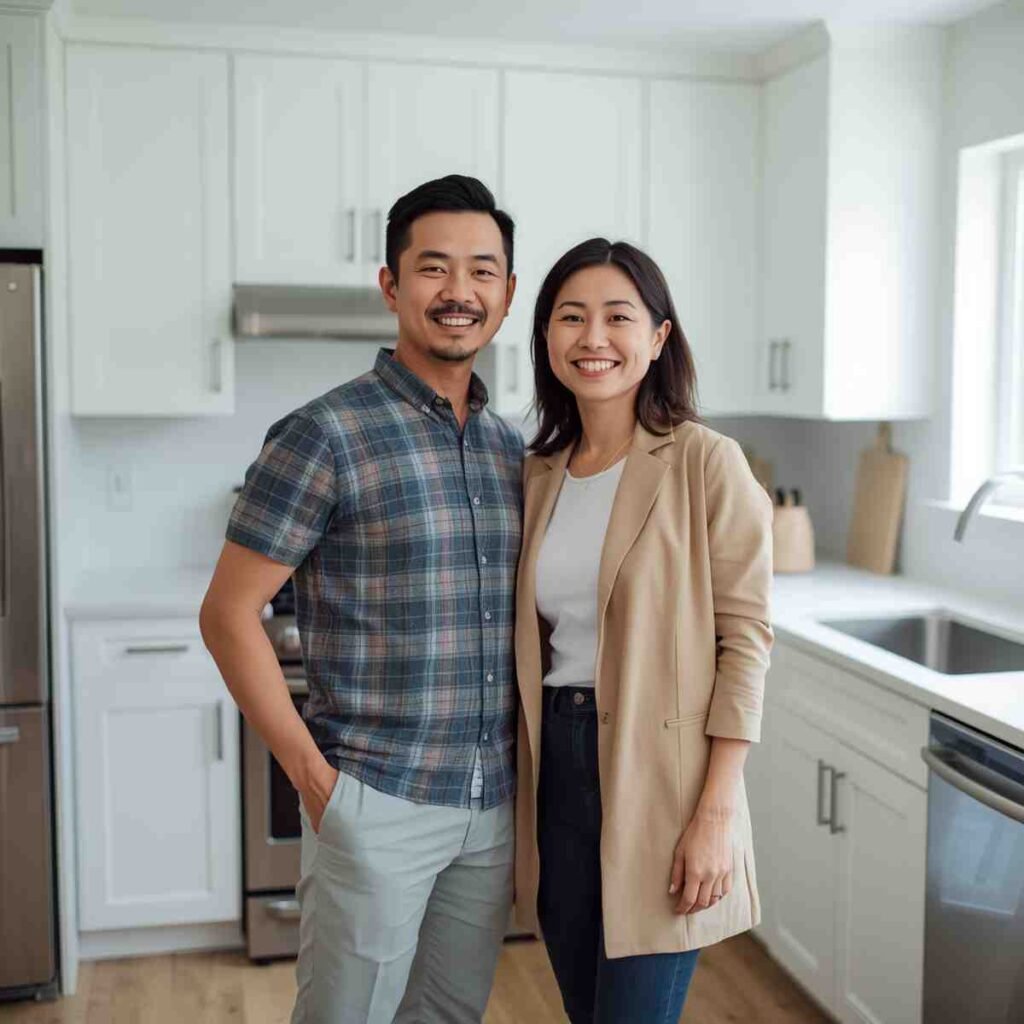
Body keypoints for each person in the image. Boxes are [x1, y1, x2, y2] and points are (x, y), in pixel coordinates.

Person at [199, 175, 522, 1024]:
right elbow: (228, 615)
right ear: (391, 285)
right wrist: (315, 780)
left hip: (489, 810)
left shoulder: (508, 446)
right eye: (434, 269)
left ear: (508, 293)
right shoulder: (324, 433)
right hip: (375, 800)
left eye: (483, 271)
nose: (460, 293)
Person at [512, 238, 774, 1023]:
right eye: (571, 318)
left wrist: (715, 814)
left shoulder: (704, 462)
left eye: (617, 317)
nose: (593, 338)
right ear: (547, 339)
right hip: (554, 771)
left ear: (659, 337)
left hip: (665, 781)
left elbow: (746, 642)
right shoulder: (538, 473)